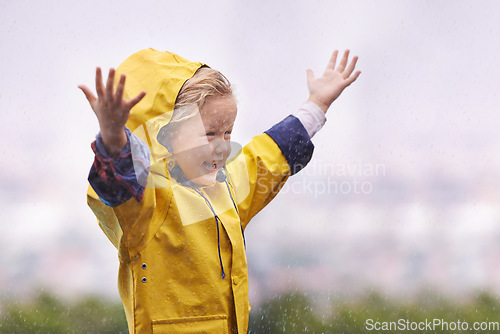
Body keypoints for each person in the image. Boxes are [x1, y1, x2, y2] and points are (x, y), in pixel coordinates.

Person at [79, 48, 360, 334]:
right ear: (167, 133)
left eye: (228, 133)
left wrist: (316, 104)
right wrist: (113, 139)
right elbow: (118, 182)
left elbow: (266, 156)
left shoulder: (227, 187)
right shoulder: (149, 202)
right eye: (210, 133)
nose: (223, 146)